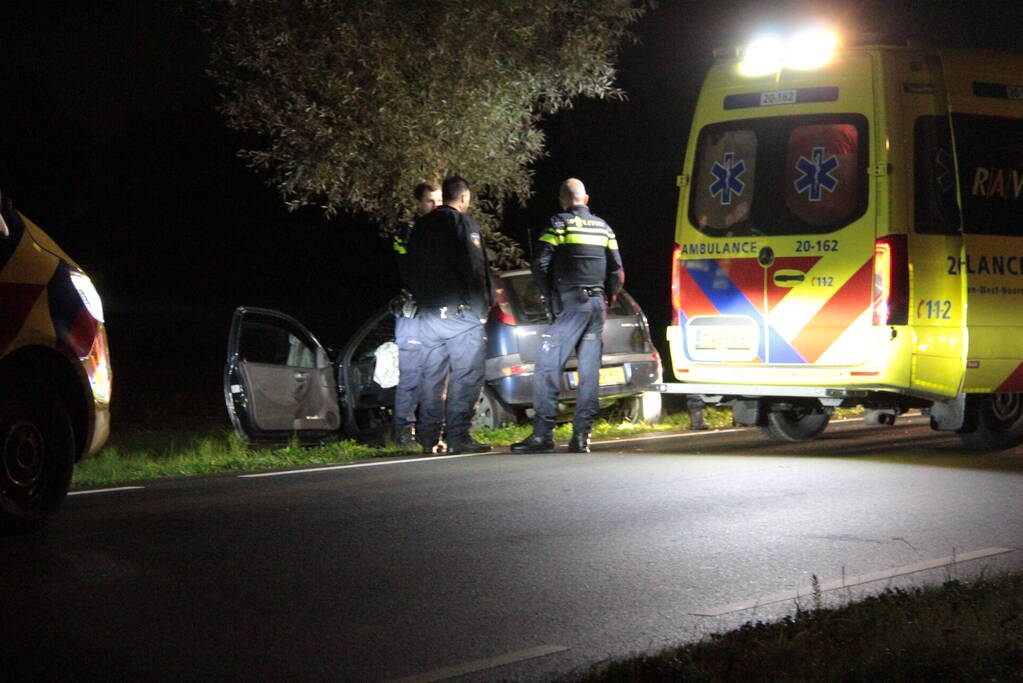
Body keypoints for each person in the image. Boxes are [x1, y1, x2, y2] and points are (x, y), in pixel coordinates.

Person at [512, 178, 624, 454]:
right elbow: (617, 273)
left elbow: (539, 263)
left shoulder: (559, 224)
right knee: (589, 373)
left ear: (563, 200)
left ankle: (542, 435)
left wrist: (550, 299)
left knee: (547, 368)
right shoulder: (604, 227)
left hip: (571, 305)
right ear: (585, 199)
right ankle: (581, 436)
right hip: (597, 306)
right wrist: (609, 298)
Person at [402, 175, 492, 455]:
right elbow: (474, 268)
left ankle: (429, 438)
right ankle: (458, 436)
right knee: (466, 376)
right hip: (460, 316)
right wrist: (481, 308)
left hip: (427, 316)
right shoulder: (462, 223)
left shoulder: (419, 226)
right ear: (464, 198)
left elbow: (408, 268)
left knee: (432, 378)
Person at [391, 181, 442, 448]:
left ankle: (432, 434)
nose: (435, 207)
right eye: (430, 201)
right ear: (419, 204)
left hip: (436, 314)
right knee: (410, 375)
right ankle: (404, 432)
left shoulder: (444, 231)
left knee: (435, 375)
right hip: (412, 313)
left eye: (439, 201)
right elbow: (403, 268)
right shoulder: (407, 232)